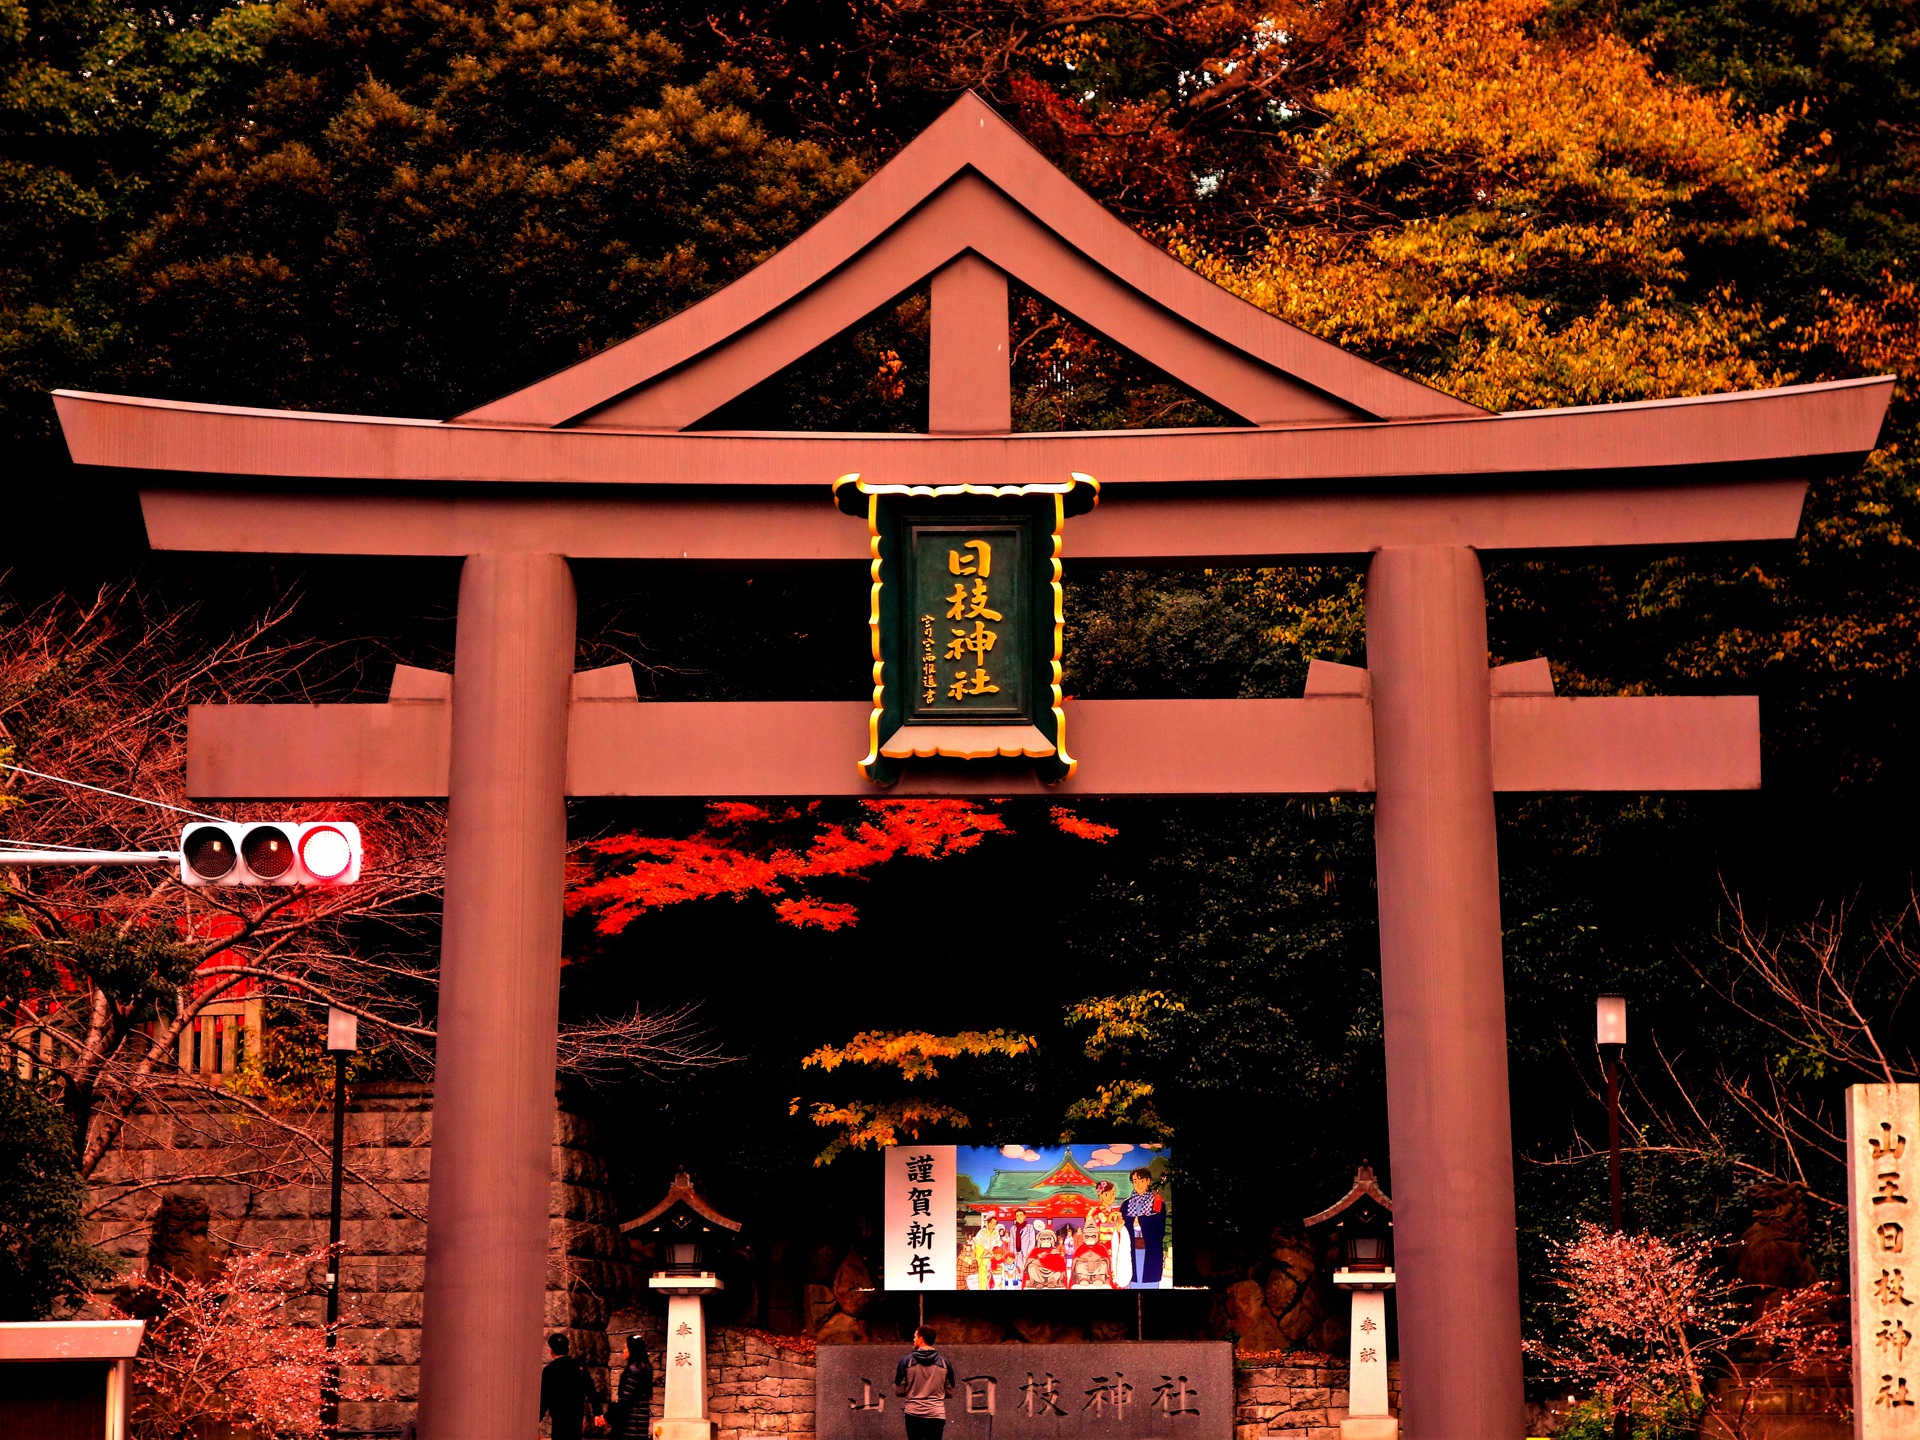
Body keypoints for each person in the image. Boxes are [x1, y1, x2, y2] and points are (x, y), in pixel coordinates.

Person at [893, 1323, 955, 1440]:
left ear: (921, 1339)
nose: (913, 1339)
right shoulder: (944, 1362)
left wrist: (913, 1391)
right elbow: (950, 1391)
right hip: (936, 1413)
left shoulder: (906, 1361)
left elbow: (898, 1390)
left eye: (915, 1336)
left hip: (913, 1413)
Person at [539, 1332, 604, 1440]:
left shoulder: (550, 1370)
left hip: (559, 1417)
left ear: (551, 1350)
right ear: (567, 1348)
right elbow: (591, 1390)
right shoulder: (578, 1366)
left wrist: (537, 1418)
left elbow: (544, 1397)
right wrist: (597, 1412)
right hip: (576, 1416)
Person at [1123, 1167, 1167, 1287]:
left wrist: (1140, 1221)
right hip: (1132, 1248)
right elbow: (1124, 1224)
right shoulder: (1126, 1204)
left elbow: (1159, 1227)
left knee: (1150, 1282)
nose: (1138, 1184)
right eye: (1135, 1181)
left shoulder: (1157, 1202)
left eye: (1141, 1180)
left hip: (1150, 1248)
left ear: (1148, 1181)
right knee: (1132, 1279)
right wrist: (1134, 1222)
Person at [607, 1334, 654, 1440]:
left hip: (630, 1424)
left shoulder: (634, 1371)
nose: (623, 1351)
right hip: (640, 1424)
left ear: (633, 1349)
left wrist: (608, 1416)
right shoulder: (645, 1368)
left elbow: (625, 1400)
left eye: (625, 1348)